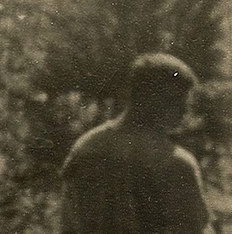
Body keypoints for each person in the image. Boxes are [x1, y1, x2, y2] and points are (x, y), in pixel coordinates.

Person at [61, 53, 209, 234]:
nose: (185, 111)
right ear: (155, 99)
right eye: (179, 101)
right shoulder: (176, 163)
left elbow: (67, 225)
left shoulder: (86, 147)